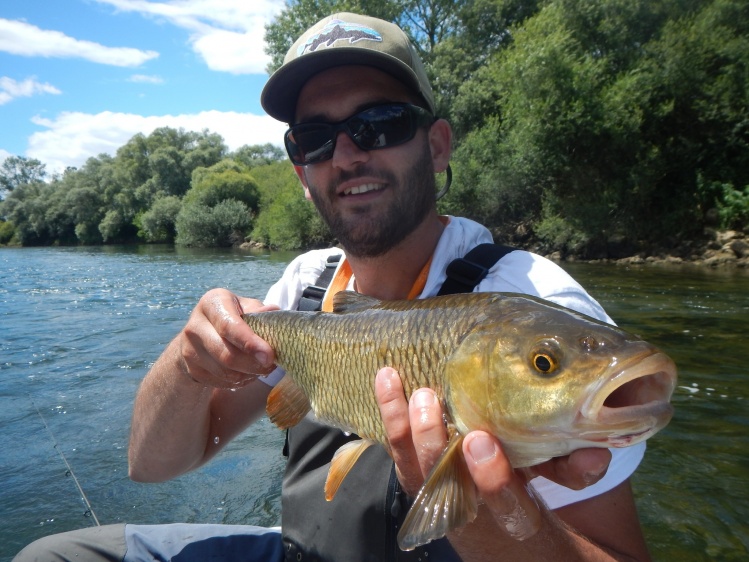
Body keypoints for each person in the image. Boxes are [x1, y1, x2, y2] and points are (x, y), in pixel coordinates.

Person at [15, 12, 653, 562]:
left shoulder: (543, 309)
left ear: (436, 145)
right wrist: (188, 365)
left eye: (378, 123)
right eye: (316, 138)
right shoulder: (302, 287)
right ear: (301, 172)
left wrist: (481, 503)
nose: (347, 154)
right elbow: (152, 466)